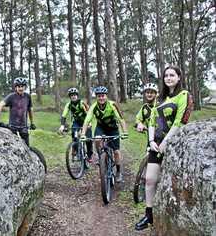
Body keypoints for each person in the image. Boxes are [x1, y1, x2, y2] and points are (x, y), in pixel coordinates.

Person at [135, 65, 193, 231]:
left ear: (179, 77)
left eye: (172, 75)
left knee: (174, 183)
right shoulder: (160, 99)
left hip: (174, 144)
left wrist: (166, 142)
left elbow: (180, 121)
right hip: (156, 144)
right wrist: (151, 140)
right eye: (166, 75)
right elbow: (152, 120)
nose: (169, 78)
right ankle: (149, 215)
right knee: (150, 180)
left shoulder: (184, 95)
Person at [81, 86, 128, 182]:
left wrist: (125, 132)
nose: (101, 98)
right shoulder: (94, 107)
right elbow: (86, 121)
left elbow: (121, 119)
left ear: (106, 96)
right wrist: (83, 134)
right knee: (97, 139)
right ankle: (101, 156)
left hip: (112, 129)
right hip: (101, 128)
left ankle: (118, 171)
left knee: (116, 151)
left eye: (103, 96)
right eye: (99, 96)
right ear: (96, 97)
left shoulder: (112, 105)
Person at [0, 77, 36, 146]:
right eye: (18, 86)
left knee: (27, 147)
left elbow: (30, 110)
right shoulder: (11, 96)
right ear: (15, 87)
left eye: (22, 86)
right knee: (12, 146)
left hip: (23, 126)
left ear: (25, 87)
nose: (20, 88)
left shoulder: (27, 97)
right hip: (12, 126)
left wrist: (32, 123)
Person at [58, 87, 93, 160]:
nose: (73, 96)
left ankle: (89, 155)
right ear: (70, 97)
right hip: (76, 123)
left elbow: (89, 114)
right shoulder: (68, 105)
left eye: (75, 95)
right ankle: (76, 151)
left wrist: (89, 123)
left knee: (88, 139)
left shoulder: (81, 103)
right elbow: (64, 115)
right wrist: (62, 125)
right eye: (71, 95)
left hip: (85, 122)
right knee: (75, 136)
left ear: (77, 96)